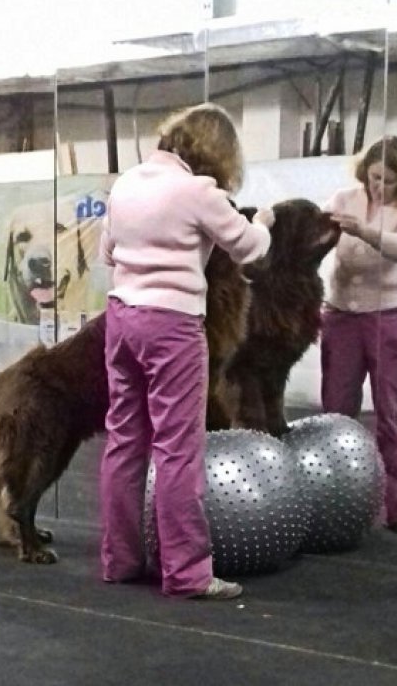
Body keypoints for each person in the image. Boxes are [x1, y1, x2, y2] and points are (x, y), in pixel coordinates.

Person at [99, 102, 275, 598]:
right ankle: (187, 573)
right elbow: (251, 249)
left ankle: (119, 560)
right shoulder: (200, 191)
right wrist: (262, 220)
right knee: (178, 450)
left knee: (124, 441)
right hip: (172, 324)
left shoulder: (127, 182)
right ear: (219, 152)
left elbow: (107, 253)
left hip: (121, 317)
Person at [320, 135, 397, 536]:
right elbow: (314, 229)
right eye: (375, 176)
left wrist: (365, 231)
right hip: (341, 316)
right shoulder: (344, 198)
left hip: (388, 319)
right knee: (334, 415)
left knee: (392, 414)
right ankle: (329, 499)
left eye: (390, 181)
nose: (379, 187)